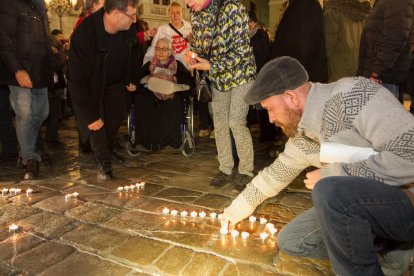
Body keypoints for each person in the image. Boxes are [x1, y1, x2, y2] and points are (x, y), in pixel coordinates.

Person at [221, 56, 414, 275]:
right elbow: (276, 174)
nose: (271, 119)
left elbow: (410, 153)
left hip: (406, 200)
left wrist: (336, 173)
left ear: (291, 97)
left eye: (270, 109)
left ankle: (393, 248)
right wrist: (234, 211)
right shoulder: (302, 136)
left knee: (329, 190)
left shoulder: (352, 95)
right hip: (359, 206)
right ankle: (391, 246)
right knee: (292, 240)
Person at [183, 0, 257, 190]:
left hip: (241, 75)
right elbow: (202, 47)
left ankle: (246, 171)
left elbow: (242, 51)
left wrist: (212, 65)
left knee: (236, 122)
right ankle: (225, 169)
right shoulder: (196, 13)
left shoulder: (234, 7)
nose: (187, 3)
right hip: (218, 78)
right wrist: (194, 55)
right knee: (220, 123)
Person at [68, 0, 142, 180]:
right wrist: (88, 115)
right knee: (96, 123)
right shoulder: (85, 33)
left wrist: (132, 78)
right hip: (92, 85)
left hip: (116, 83)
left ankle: (107, 148)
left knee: (115, 117)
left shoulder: (129, 29)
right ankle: (104, 163)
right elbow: (76, 79)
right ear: (116, 13)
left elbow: (135, 53)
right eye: (131, 16)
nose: (134, 20)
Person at [0, 0, 52, 180]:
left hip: (40, 72)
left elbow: (44, 41)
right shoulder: (10, 3)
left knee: (42, 113)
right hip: (20, 71)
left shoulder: (40, 7)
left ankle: (25, 150)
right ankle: (29, 158)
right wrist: (17, 69)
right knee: (25, 113)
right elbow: (4, 38)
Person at [133, 38, 193, 151]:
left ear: (170, 51)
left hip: (171, 95)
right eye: (158, 49)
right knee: (141, 100)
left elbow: (188, 82)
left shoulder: (178, 65)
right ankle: (145, 141)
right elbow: (137, 79)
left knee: (174, 103)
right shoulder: (149, 65)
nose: (160, 52)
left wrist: (172, 78)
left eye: (164, 49)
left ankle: (170, 140)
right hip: (150, 94)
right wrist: (149, 79)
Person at [357, 0, 414, 99]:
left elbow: (395, 38)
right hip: (381, 76)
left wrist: (377, 73)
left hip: (384, 78)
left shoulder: (398, 2)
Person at [271, 0, 328, 83]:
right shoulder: (300, 5)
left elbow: (305, 46)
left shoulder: (305, 5)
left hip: (299, 79)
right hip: (296, 75)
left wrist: (293, 78)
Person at [323, 0, 371, 82]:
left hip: (337, 68)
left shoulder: (333, 11)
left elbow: (328, 44)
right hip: (359, 66)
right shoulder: (364, 11)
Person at [45, 29, 68, 145]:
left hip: (53, 86)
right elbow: (59, 63)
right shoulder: (52, 54)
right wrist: (59, 54)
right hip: (52, 86)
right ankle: (51, 137)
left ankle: (51, 136)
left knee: (53, 113)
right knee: (53, 113)